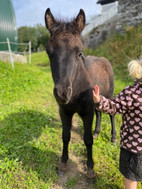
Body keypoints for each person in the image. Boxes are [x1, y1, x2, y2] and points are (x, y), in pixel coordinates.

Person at [92, 59, 142, 189]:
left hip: (132, 148)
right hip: (134, 149)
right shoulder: (131, 93)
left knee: (131, 179)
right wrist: (100, 101)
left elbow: (114, 106)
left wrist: (99, 102)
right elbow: (115, 106)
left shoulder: (131, 93)